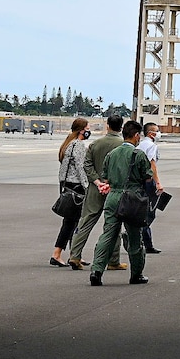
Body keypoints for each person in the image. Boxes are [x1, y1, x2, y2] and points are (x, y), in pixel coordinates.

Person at [89, 119, 153, 286]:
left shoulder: (112, 154)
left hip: (113, 197)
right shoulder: (138, 154)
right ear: (136, 136)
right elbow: (147, 176)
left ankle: (96, 270)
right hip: (132, 198)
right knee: (134, 237)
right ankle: (136, 274)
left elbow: (105, 176)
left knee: (108, 234)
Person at [66, 114, 126, 271]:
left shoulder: (95, 144)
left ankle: (75, 255)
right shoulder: (123, 145)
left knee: (85, 221)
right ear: (121, 126)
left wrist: (97, 181)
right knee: (113, 224)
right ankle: (113, 260)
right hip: (115, 189)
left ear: (107, 125)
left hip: (94, 188)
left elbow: (87, 165)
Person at [51, 118, 90, 266]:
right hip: (76, 185)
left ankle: (75, 254)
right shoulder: (78, 145)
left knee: (73, 221)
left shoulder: (68, 143)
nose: (88, 131)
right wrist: (86, 185)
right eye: (87, 129)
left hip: (67, 183)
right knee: (72, 221)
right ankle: (58, 253)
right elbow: (80, 167)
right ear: (81, 130)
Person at [134, 124, 164, 254]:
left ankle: (143, 240)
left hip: (138, 181)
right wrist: (158, 183)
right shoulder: (151, 146)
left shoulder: (139, 146)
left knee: (141, 210)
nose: (159, 133)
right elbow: (152, 165)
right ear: (151, 133)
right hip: (148, 181)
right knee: (150, 212)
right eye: (157, 131)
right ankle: (145, 240)